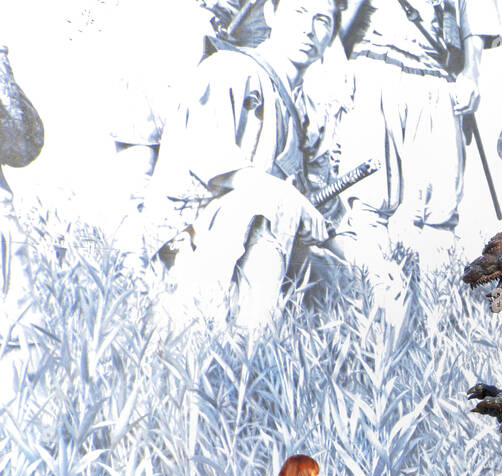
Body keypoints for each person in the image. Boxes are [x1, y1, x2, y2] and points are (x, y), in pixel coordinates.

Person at [135, 0, 348, 330]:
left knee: (339, 274)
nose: (308, 29)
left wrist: (364, 269)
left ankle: (290, 367)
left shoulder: (312, 111)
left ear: (332, 32)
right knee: (275, 206)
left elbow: (327, 215)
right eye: (299, 12)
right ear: (271, 14)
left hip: (260, 245)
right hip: (188, 249)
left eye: (322, 19)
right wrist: (288, 198)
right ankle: (248, 355)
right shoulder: (229, 70)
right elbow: (211, 159)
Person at [335, 0, 502, 258]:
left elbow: (478, 8)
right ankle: (370, 291)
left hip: (436, 69)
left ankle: (436, 296)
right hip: (375, 59)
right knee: (368, 200)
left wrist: (471, 74)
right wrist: (334, 62)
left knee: (441, 209)